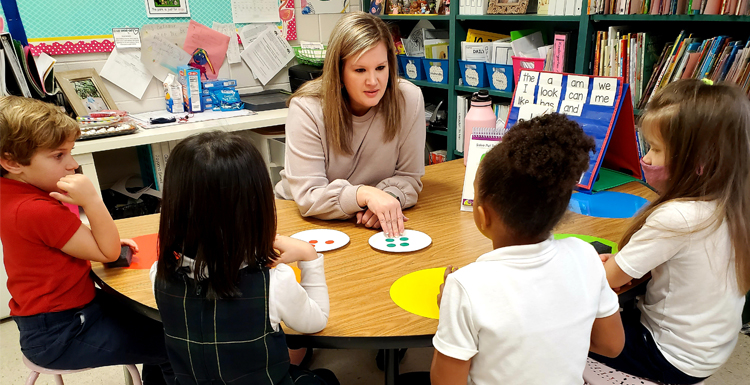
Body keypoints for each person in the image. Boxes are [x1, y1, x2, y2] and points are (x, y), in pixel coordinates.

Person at [430, 114, 625, 385]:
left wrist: (451, 313)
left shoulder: (465, 286)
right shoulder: (586, 256)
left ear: (484, 215)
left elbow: (446, 382)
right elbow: (611, 345)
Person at [0, 96, 174, 385]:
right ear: (11, 161)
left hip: (46, 324)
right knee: (175, 344)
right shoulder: (36, 209)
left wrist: (94, 241)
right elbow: (106, 251)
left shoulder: (11, 193)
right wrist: (93, 201)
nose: (72, 165)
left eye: (70, 152)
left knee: (156, 326)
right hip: (65, 332)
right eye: (58, 156)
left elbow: (55, 244)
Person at [594, 79, 750, 384]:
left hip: (667, 355)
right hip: (709, 349)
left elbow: (609, 279)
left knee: (554, 317)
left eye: (656, 149)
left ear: (699, 162)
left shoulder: (677, 216)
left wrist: (604, 265)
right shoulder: (734, 203)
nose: (646, 159)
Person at [151, 132, 338, 385]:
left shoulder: (158, 274)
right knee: (325, 379)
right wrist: (309, 255)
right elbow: (315, 322)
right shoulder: (274, 281)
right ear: (256, 205)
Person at [275, 12, 426, 239]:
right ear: (339, 71)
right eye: (360, 70)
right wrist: (365, 195)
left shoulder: (409, 99)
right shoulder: (306, 108)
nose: (373, 82)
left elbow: (409, 178)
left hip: (361, 221)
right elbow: (309, 197)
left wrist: (389, 200)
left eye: (381, 68)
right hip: (302, 220)